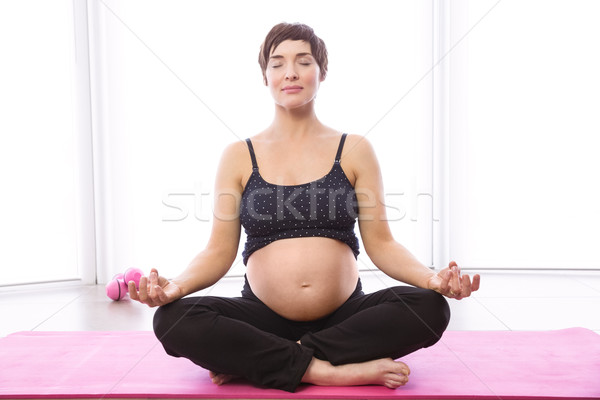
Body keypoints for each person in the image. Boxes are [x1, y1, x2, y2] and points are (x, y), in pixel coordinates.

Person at [128, 22, 480, 393]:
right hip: (262, 317)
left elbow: (383, 245)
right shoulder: (238, 156)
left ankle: (264, 361)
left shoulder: (354, 149)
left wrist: (432, 280)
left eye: (303, 61)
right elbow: (217, 252)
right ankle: (331, 370)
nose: (290, 72)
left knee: (430, 308)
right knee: (173, 320)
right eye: (277, 63)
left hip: (345, 317)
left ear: (321, 72)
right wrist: (176, 287)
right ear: (265, 76)